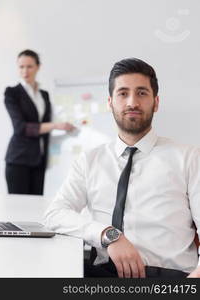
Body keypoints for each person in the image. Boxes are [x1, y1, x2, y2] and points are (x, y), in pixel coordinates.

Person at [44, 58, 200, 278]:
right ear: (110, 102)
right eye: (123, 93)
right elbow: (55, 214)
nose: (132, 102)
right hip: (103, 275)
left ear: (156, 102)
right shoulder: (89, 160)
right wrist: (108, 234)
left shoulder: (189, 158)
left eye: (142, 93)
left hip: (168, 277)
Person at [4, 49, 75, 195]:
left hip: (39, 160)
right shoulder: (12, 93)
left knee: (35, 209)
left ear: (38, 67)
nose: (25, 71)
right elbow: (21, 128)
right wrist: (55, 126)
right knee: (18, 210)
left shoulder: (44, 95)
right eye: (21, 67)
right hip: (19, 160)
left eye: (29, 66)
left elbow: (46, 122)